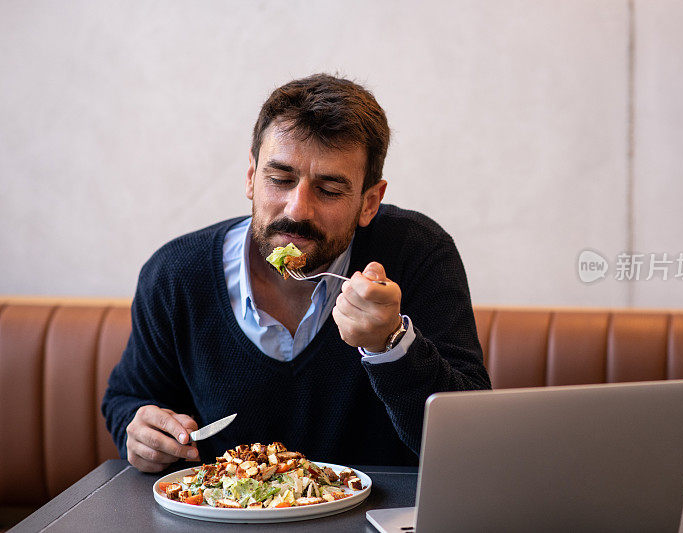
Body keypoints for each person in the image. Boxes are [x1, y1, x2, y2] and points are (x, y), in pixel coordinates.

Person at [102, 73, 491, 473]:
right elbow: (127, 399)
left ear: (369, 202)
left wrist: (389, 345)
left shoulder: (418, 253)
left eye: (329, 189)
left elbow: (469, 443)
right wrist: (141, 432)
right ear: (251, 177)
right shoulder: (176, 274)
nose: (296, 210)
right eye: (280, 179)